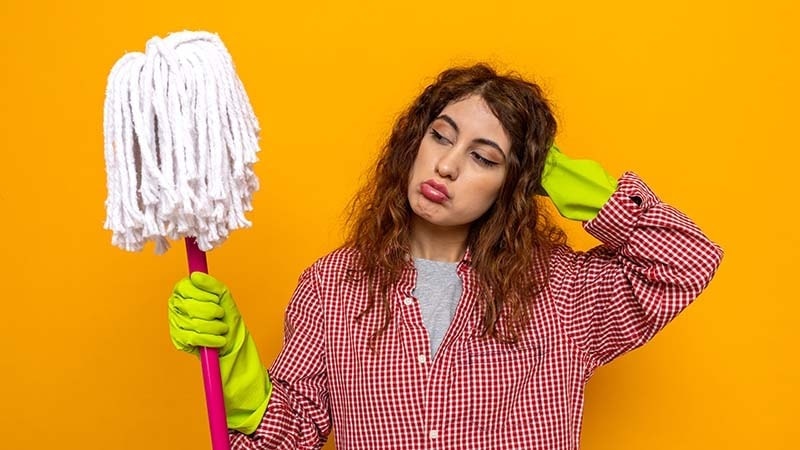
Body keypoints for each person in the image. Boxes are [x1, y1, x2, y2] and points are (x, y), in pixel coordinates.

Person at [167, 63, 723, 449]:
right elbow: (285, 440)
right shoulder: (331, 287)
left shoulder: (564, 290)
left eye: (484, 157)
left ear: (515, 184)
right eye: (440, 136)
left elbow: (685, 260)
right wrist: (234, 367)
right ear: (414, 141)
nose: (448, 166)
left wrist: (558, 173)